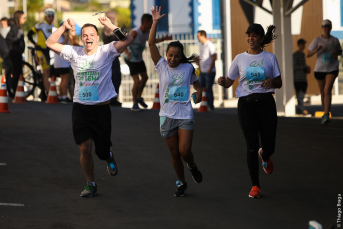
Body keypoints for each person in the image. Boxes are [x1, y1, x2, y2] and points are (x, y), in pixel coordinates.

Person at [46, 17, 134, 197]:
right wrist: (63, 27)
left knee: (101, 151)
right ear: (82, 38)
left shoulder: (107, 51)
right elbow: (50, 42)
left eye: (92, 35)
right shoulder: (74, 52)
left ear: (97, 37)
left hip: (101, 109)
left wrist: (109, 25)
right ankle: (91, 184)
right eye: (85, 35)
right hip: (81, 108)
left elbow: (128, 40)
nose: (88, 38)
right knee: (84, 148)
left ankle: (108, 156)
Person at [218, 23, 282, 198]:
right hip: (246, 105)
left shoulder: (270, 58)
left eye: (254, 35)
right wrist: (222, 81)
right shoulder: (239, 58)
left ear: (261, 38)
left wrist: (271, 81)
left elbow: (279, 82)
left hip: (266, 104)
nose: (250, 38)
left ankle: (266, 154)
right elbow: (229, 82)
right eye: (248, 35)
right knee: (251, 146)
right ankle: (255, 186)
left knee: (269, 144)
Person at [149, 6, 203, 197]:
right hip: (166, 115)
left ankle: (192, 165)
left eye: (176, 56)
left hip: (184, 114)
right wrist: (155, 21)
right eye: (170, 55)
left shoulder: (188, 68)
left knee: (184, 151)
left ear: (181, 57)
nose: (172, 58)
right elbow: (151, 44)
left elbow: (198, 86)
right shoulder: (161, 65)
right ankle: (182, 182)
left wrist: (199, 94)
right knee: (174, 154)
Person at [124, 13, 172, 111]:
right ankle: (134, 103)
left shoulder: (147, 32)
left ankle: (138, 97)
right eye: (151, 22)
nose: (152, 25)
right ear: (145, 23)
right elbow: (125, 41)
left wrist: (163, 39)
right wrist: (127, 52)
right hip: (130, 59)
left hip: (138, 59)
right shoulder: (135, 32)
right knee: (136, 81)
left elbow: (152, 41)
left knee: (145, 77)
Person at [307, 19, 342, 124]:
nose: (326, 28)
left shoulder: (335, 40)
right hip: (319, 69)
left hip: (332, 68)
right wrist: (316, 50)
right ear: (322, 28)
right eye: (324, 26)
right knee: (323, 92)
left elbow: (340, 50)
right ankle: (325, 112)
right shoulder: (317, 40)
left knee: (327, 90)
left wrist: (337, 53)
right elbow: (308, 54)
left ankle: (326, 114)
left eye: (328, 26)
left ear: (330, 28)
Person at [28, 8, 55, 101]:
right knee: (46, 72)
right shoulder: (40, 26)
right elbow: (29, 34)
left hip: (48, 51)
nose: (51, 18)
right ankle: (48, 93)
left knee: (48, 72)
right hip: (41, 50)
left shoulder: (52, 27)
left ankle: (44, 92)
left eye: (52, 16)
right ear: (45, 17)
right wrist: (35, 44)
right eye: (49, 16)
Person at [101, 11, 122, 107]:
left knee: (117, 78)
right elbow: (113, 39)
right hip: (109, 58)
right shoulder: (106, 30)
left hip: (115, 58)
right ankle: (111, 99)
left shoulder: (112, 29)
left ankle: (114, 98)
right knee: (112, 78)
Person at [6, 11, 26, 96]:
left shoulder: (18, 27)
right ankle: (14, 92)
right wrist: (18, 42)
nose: (25, 19)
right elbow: (8, 37)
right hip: (14, 52)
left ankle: (16, 92)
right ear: (19, 18)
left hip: (18, 52)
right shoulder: (14, 27)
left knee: (18, 72)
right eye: (23, 18)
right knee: (16, 72)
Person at [52, 24, 72, 103]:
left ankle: (61, 96)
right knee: (65, 79)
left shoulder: (59, 35)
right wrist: (66, 37)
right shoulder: (60, 36)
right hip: (62, 62)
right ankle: (64, 96)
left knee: (63, 79)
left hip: (60, 62)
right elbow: (61, 45)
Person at [197, 30, 216, 111]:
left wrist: (210, 69)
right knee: (201, 87)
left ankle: (210, 105)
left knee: (208, 88)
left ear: (203, 36)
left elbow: (213, 57)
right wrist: (199, 65)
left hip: (209, 71)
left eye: (198, 36)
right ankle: (203, 104)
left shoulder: (209, 45)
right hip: (202, 71)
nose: (197, 38)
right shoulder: (201, 45)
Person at [293, 38, 311, 115]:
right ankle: (300, 109)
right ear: (298, 45)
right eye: (302, 44)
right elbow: (294, 66)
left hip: (303, 78)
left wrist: (307, 69)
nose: (304, 46)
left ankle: (300, 108)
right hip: (297, 78)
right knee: (299, 95)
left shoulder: (303, 54)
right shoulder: (295, 55)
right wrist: (304, 67)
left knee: (302, 95)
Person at [0, 17, 12, 93]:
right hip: (5, 55)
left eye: (4, 23)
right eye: (1, 24)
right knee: (8, 72)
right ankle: (10, 89)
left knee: (10, 72)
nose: (3, 25)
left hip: (10, 54)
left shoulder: (9, 32)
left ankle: (11, 89)